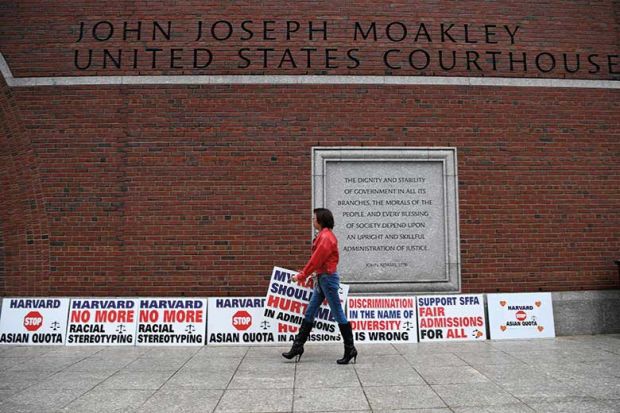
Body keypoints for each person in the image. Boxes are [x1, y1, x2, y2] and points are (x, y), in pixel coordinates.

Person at [281, 208, 358, 364]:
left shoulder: (325, 238)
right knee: (310, 312)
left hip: (327, 280)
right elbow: (320, 262)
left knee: (338, 313)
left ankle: (350, 349)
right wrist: (315, 273)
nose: (312, 220)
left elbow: (316, 260)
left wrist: (301, 276)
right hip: (323, 278)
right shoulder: (324, 236)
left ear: (320, 220)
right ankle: (297, 347)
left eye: (314, 218)